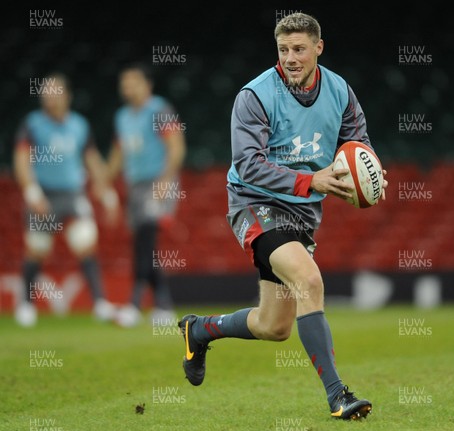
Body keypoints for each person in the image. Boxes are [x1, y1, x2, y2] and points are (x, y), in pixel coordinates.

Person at [178, 12, 387, 420]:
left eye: (299, 49)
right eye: (283, 49)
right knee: (309, 280)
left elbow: (357, 140)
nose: (290, 58)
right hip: (254, 203)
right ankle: (337, 395)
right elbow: (249, 164)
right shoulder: (254, 96)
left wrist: (373, 169)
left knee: (274, 327)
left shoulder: (340, 91)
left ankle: (199, 330)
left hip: (302, 214)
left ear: (318, 48)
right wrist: (313, 182)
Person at [13, 72, 119, 327]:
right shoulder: (32, 124)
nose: (50, 98)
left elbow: (92, 160)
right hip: (44, 194)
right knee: (37, 250)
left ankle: (100, 303)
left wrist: (107, 193)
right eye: (46, 93)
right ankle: (25, 304)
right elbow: (21, 160)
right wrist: (32, 193)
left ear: (67, 96)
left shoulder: (79, 125)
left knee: (85, 243)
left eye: (55, 92)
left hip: (72, 194)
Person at [108, 63, 186, 327]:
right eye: (124, 83)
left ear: (147, 85)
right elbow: (119, 154)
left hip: (157, 182)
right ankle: (163, 305)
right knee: (144, 243)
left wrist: (165, 181)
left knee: (146, 236)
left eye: (133, 82)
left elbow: (176, 147)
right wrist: (104, 180)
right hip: (135, 187)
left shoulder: (159, 110)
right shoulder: (122, 117)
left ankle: (134, 304)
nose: (127, 88)